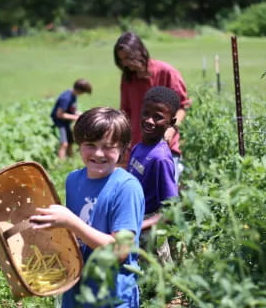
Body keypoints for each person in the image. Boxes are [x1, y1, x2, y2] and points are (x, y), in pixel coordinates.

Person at [30, 107, 145, 308]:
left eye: (108, 146)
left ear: (123, 148)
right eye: (90, 145)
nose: (99, 153)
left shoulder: (127, 188)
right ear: (79, 145)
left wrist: (71, 222)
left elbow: (120, 251)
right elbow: (74, 238)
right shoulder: (73, 180)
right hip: (76, 291)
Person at [114, 32, 191, 182]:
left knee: (166, 198)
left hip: (164, 147)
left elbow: (182, 106)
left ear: (140, 52)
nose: (125, 64)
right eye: (121, 60)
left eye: (128, 58)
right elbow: (125, 112)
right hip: (137, 148)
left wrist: (171, 129)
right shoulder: (128, 78)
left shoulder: (166, 72)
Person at [127, 86, 180, 263]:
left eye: (158, 117)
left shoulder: (160, 159)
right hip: (134, 219)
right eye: (146, 113)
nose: (149, 120)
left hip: (150, 227)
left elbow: (171, 207)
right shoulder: (138, 148)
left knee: (161, 278)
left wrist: (146, 225)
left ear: (171, 122)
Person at [51, 79, 92, 160]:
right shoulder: (66, 98)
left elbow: (71, 110)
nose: (82, 94)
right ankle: (61, 163)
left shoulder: (73, 96)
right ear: (80, 90)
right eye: (83, 92)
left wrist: (80, 113)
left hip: (66, 123)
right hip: (60, 123)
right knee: (64, 144)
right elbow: (59, 114)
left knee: (70, 142)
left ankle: (70, 160)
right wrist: (76, 117)